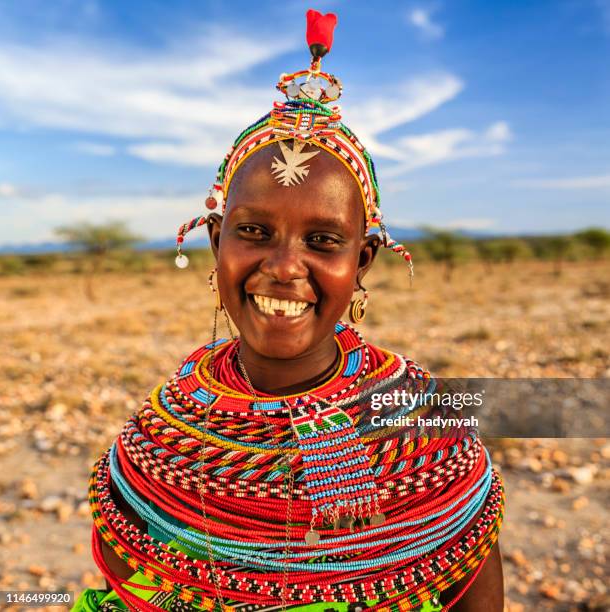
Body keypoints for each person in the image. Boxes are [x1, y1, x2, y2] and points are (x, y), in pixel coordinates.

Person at [73, 10, 504, 612]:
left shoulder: (430, 428)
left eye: (323, 241)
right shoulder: (164, 433)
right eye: (253, 231)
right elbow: (128, 577)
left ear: (363, 262)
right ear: (215, 242)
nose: (282, 266)